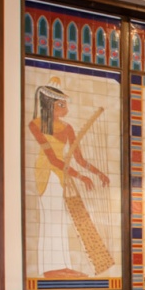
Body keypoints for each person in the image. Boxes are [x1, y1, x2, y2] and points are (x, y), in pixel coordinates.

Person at [28, 77, 111, 277]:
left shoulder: (67, 128)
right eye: (61, 104)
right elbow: (52, 159)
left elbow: (79, 159)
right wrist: (80, 177)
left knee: (61, 219)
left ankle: (63, 264)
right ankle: (49, 268)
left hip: (62, 174)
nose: (66, 109)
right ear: (50, 104)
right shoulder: (35, 124)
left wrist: (98, 173)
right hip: (47, 172)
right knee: (51, 218)